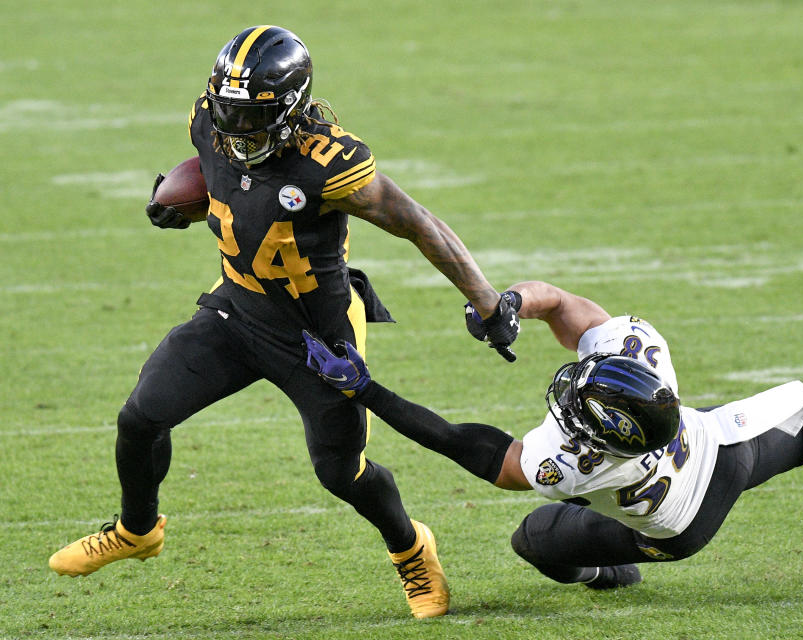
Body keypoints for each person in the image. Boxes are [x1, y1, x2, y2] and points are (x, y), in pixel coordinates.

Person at [47, 25, 520, 620]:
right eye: (230, 115)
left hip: (316, 338)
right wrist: (187, 204)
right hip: (236, 311)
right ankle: (138, 530)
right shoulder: (212, 120)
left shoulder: (330, 161)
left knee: (341, 472)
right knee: (140, 417)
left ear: (292, 107)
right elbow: (221, 173)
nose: (238, 131)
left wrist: (485, 301)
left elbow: (417, 223)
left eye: (253, 119)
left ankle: (410, 548)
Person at [303, 280, 803, 590]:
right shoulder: (641, 355)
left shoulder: (575, 463)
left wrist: (367, 391)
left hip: (677, 525)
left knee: (534, 539)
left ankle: (607, 573)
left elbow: (463, 444)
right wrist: (511, 306)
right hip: (719, 449)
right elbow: (560, 304)